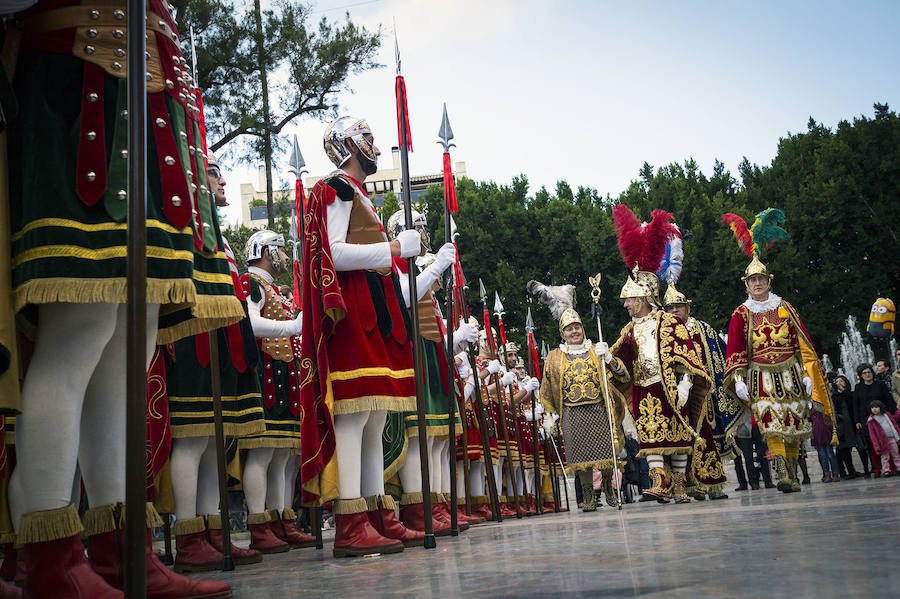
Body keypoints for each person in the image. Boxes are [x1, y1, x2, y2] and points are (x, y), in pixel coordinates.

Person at [6, 1, 243, 595]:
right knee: (78, 333)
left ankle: (121, 550)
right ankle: (50, 558)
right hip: (76, 86)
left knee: (127, 350)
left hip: (147, 105)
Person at [299, 116, 420, 558]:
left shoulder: (360, 195)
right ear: (348, 143)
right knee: (352, 416)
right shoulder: (336, 188)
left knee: (372, 417)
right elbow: (333, 252)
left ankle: (376, 513)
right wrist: (393, 249)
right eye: (367, 137)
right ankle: (351, 521)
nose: (374, 144)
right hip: (351, 311)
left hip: (374, 312)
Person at [163, 154, 268, 570]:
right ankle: (189, 535)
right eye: (213, 175)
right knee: (191, 439)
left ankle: (212, 531)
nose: (222, 183)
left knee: (211, 442)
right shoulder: (184, 221)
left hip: (219, 342)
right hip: (193, 340)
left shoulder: (218, 235)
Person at [722, 208, 834, 494]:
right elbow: (734, 350)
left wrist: (808, 374)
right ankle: (782, 471)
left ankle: (793, 474)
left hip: (791, 374)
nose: (757, 284)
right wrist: (737, 380)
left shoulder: (785, 307)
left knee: (795, 421)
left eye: (761, 279)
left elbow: (803, 345)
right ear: (746, 285)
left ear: (769, 281)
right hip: (760, 376)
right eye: (752, 280)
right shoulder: (741, 313)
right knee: (771, 422)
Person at [606, 206, 712, 504]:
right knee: (650, 435)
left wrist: (685, 384)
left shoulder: (669, 322)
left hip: (669, 385)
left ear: (642, 298)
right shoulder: (629, 329)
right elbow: (622, 367)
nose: (626, 306)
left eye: (629, 300)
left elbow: (687, 356)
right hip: (643, 387)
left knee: (677, 436)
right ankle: (660, 481)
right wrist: (608, 359)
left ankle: (679, 484)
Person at [530, 280, 628, 511]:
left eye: (577, 327)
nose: (574, 331)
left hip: (598, 409)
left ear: (583, 329)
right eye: (569, 328)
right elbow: (547, 387)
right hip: (572, 413)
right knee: (582, 459)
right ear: (562, 333)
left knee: (606, 454)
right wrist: (549, 416)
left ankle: (608, 488)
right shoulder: (554, 356)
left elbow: (622, 375)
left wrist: (611, 360)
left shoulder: (597, 350)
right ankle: (588, 496)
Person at [663, 284, 735, 500]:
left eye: (679, 306)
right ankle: (688, 486)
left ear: (687, 308)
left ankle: (713, 484)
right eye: (670, 307)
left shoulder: (703, 329)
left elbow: (720, 355)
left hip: (703, 394)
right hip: (677, 395)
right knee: (682, 440)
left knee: (708, 437)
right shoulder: (664, 333)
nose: (675, 311)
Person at [854, 363, 894, 476]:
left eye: (869, 372)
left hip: (882, 418)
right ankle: (877, 469)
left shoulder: (880, 385)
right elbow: (855, 405)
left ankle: (890, 468)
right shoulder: (858, 388)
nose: (867, 375)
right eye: (864, 373)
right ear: (861, 375)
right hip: (866, 420)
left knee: (886, 443)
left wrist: (890, 414)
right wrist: (857, 420)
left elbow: (888, 399)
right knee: (872, 445)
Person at [832, 375, 864, 478]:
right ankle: (851, 471)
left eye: (841, 381)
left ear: (846, 382)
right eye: (837, 381)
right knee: (845, 449)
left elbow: (852, 402)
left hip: (853, 422)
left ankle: (867, 468)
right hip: (842, 425)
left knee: (860, 446)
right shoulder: (835, 396)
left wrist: (844, 391)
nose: (839, 383)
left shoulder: (851, 393)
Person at [867, 400, 900, 477]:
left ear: (880, 407)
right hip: (882, 442)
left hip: (892, 438)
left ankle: (898, 468)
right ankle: (886, 471)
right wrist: (876, 446)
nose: (874, 409)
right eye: (872, 408)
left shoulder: (887, 415)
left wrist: (898, 435)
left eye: (876, 407)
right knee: (885, 456)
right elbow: (873, 436)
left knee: (896, 454)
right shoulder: (871, 421)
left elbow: (894, 425)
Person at [810, 407, 840, 483]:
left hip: (827, 434)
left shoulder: (825, 408)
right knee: (823, 456)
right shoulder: (811, 411)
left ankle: (835, 473)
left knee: (830, 454)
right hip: (817, 435)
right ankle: (827, 474)